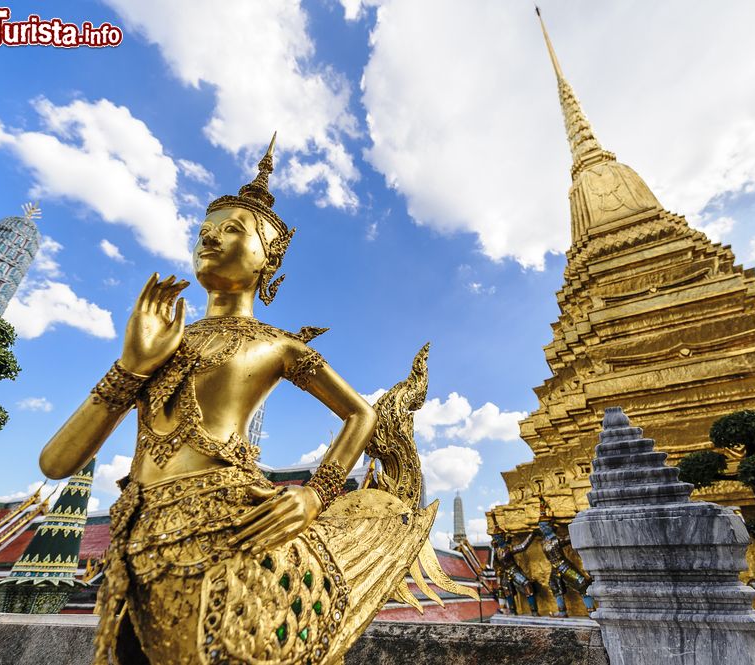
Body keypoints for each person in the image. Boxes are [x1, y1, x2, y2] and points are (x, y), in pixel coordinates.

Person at [39, 135, 471, 665]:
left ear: (268, 257)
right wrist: (131, 366)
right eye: (204, 231)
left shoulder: (275, 344)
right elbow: (57, 463)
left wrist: (317, 495)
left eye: (232, 230)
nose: (210, 239)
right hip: (135, 534)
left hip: (230, 522)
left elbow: (361, 413)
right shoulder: (163, 342)